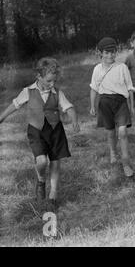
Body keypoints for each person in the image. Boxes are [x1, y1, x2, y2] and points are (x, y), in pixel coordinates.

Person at [0, 57, 80, 210]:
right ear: (39, 77)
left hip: (55, 131)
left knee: (55, 162)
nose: (52, 84)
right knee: (42, 161)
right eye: (49, 81)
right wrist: (1, 118)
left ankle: (53, 195)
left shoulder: (58, 93)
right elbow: (15, 105)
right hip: (36, 131)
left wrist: (74, 120)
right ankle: (41, 179)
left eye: (54, 81)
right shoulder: (28, 91)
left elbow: (69, 107)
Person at [89, 37, 135, 177]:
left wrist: (131, 106)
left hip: (120, 102)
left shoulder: (122, 67)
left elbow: (129, 88)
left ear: (116, 52)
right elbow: (94, 89)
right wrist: (92, 106)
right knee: (110, 132)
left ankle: (126, 162)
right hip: (104, 102)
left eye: (113, 52)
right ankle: (113, 152)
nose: (110, 55)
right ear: (100, 53)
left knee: (122, 132)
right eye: (107, 53)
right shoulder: (97, 69)